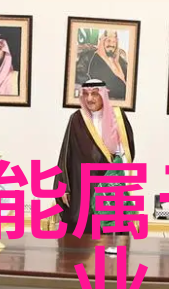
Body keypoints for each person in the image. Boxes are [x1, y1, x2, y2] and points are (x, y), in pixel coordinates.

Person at [53, 79, 135, 236]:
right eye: (86, 94)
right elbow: (66, 153)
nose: (89, 99)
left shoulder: (117, 117)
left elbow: (127, 151)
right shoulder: (76, 119)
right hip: (82, 185)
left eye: (95, 94)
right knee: (83, 231)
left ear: (103, 95)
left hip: (109, 182)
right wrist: (63, 185)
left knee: (110, 232)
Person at [76, 30, 128, 100]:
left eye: (114, 42)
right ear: (102, 41)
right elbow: (79, 74)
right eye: (108, 41)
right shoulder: (90, 56)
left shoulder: (120, 61)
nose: (111, 44)